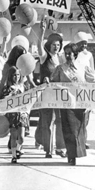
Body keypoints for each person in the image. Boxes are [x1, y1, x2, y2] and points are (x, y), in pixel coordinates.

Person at [51, 43, 95, 165]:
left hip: (80, 103)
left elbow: (93, 81)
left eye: (70, 53)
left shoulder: (83, 67)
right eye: (65, 53)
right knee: (69, 130)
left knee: (78, 129)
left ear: (75, 54)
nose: (67, 55)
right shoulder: (61, 68)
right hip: (66, 104)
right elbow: (53, 82)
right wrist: (48, 80)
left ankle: (76, 153)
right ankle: (71, 155)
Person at [35, 20, 66, 158]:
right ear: (49, 45)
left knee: (59, 120)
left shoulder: (61, 59)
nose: (56, 47)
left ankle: (60, 147)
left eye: (58, 45)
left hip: (59, 94)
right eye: (54, 44)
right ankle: (48, 149)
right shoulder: (44, 57)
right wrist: (41, 31)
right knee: (47, 120)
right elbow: (38, 45)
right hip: (46, 94)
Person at [1, 66, 29, 163]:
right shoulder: (8, 88)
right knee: (13, 135)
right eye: (14, 75)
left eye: (17, 75)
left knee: (21, 137)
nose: (16, 77)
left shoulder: (23, 87)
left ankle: (18, 148)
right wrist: (10, 96)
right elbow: (3, 100)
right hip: (12, 114)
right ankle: (13, 155)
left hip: (22, 114)